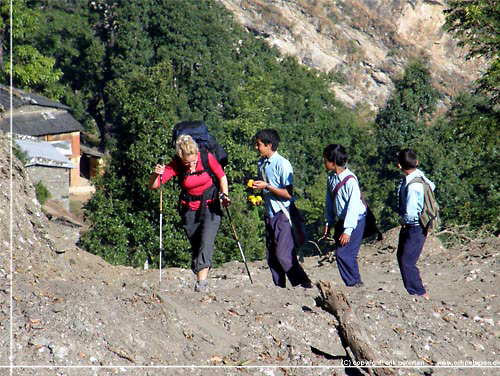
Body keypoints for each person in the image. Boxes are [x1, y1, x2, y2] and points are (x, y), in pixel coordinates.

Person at [148, 134, 230, 293]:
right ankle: (200, 270)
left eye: (193, 162)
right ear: (180, 157)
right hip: (189, 209)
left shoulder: (206, 157)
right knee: (197, 245)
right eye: (187, 163)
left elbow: (221, 176)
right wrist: (155, 174)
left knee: (207, 241)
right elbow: (155, 186)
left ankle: (202, 283)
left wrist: (224, 195)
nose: (191, 166)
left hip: (211, 205)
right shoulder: (176, 164)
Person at [251, 129, 311, 288]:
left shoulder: (282, 164)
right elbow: (266, 189)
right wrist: (260, 196)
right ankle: (279, 287)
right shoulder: (261, 164)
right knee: (271, 256)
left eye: (259, 145)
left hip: (282, 214)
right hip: (269, 213)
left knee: (283, 255)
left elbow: (288, 194)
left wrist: (267, 187)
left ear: (269, 145)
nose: (256, 148)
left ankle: (303, 284)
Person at [322, 144, 366, 287]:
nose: (324, 163)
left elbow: (353, 207)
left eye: (326, 160)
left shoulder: (350, 180)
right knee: (345, 254)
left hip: (354, 221)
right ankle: (355, 282)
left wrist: (348, 231)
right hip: (342, 220)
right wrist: (328, 222)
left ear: (333, 162)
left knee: (344, 254)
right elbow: (329, 201)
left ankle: (354, 283)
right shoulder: (331, 178)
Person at [396, 148, 434, 300]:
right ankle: (416, 291)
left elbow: (411, 214)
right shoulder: (420, 177)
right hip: (419, 225)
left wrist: (403, 221)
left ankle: (419, 293)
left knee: (407, 261)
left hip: (415, 226)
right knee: (402, 257)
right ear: (416, 162)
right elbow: (432, 186)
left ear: (399, 166)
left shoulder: (412, 186)